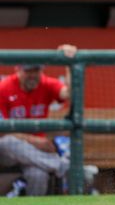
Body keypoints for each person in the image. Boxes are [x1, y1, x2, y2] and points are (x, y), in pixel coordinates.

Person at [0, 45, 78, 196]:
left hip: (37, 154)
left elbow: (70, 94)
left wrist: (69, 64)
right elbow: (1, 131)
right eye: (28, 70)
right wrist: (33, 140)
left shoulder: (46, 84)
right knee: (9, 142)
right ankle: (65, 168)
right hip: (7, 151)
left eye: (36, 70)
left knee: (38, 174)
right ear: (18, 69)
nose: (32, 75)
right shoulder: (3, 88)